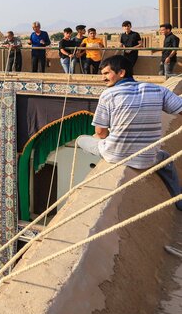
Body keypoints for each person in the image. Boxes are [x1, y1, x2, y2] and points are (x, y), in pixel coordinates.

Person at [76, 55, 182, 210]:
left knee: (81, 139)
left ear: (121, 73)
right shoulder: (157, 89)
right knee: (165, 160)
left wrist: (106, 135)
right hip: (148, 157)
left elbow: (100, 132)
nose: (103, 79)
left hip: (116, 155)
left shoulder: (108, 95)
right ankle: (179, 201)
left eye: (106, 73)